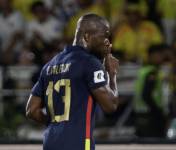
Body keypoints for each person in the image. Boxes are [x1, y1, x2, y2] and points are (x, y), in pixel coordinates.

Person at [26, 13, 119, 150]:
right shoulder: (89, 63)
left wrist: (57, 121)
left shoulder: (49, 66)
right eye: (104, 36)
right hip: (78, 144)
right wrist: (112, 74)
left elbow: (31, 110)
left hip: (51, 143)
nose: (107, 42)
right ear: (87, 36)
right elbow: (110, 105)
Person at [134, 44, 170, 137]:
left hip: (140, 114)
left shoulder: (143, 70)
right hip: (151, 115)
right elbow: (146, 95)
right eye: (160, 55)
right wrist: (158, 113)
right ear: (153, 55)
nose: (162, 58)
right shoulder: (152, 72)